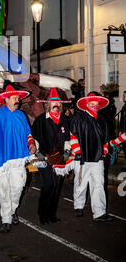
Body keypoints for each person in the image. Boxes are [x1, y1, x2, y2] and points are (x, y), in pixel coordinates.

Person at [0, 84, 36, 233]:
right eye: (13, 98)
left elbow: (27, 133)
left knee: (18, 187)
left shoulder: (21, 115)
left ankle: (12, 210)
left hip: (18, 157)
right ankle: (6, 218)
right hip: (0, 158)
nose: (17, 100)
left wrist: (31, 142)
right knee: (3, 190)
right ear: (5, 99)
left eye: (17, 98)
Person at [69, 92, 114, 222]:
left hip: (98, 158)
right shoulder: (78, 118)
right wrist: (77, 151)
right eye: (92, 104)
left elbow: (106, 140)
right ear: (87, 104)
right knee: (81, 183)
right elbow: (73, 136)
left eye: (96, 104)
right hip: (82, 158)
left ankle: (99, 212)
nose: (94, 106)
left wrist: (104, 152)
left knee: (99, 184)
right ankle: (78, 206)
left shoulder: (102, 120)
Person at [31, 88, 72, 225]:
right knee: (48, 184)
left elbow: (68, 138)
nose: (56, 104)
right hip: (44, 157)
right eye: (53, 102)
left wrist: (67, 152)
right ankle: (42, 213)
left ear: (61, 104)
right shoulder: (41, 120)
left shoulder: (65, 120)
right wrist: (38, 154)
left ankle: (52, 214)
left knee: (56, 185)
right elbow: (34, 138)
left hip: (60, 157)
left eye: (58, 102)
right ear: (48, 105)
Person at [119, 90, 126, 158]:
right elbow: (122, 120)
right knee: (124, 148)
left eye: (124, 96)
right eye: (123, 96)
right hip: (124, 131)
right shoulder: (124, 107)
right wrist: (120, 130)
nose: (123, 97)